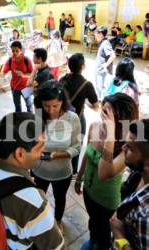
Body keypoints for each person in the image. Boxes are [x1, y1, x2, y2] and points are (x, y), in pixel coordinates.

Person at [0, 112, 64, 249]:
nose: (43, 151)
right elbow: (56, 247)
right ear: (20, 154)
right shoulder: (34, 204)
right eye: (40, 147)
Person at [75, 93, 139, 250]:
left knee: (104, 233)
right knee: (92, 222)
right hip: (89, 191)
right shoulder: (94, 126)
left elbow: (104, 174)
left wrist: (109, 136)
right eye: (103, 111)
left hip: (107, 200)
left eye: (109, 114)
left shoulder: (126, 146)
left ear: (121, 119)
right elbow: (87, 155)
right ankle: (92, 242)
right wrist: (79, 177)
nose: (103, 117)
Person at [33, 82, 81, 234]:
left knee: (60, 199)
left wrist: (57, 155)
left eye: (56, 105)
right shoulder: (38, 116)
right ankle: (39, 221)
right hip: (39, 170)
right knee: (38, 198)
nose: (51, 110)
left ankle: (58, 220)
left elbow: (76, 147)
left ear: (63, 102)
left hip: (62, 171)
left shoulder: (72, 119)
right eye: (47, 106)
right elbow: (31, 142)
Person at [110, 119, 149, 250]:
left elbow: (105, 173)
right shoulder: (138, 172)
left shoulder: (145, 216)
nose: (123, 148)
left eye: (130, 147)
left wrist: (119, 237)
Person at [60, 53, 99, 175]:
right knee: (76, 146)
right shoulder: (87, 84)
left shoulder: (63, 79)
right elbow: (96, 106)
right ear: (82, 66)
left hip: (62, 117)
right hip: (78, 119)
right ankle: (73, 172)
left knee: (64, 142)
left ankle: (62, 166)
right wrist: (86, 102)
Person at [1, 41, 34, 112]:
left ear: (21, 50)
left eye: (17, 51)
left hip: (26, 87)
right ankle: (19, 120)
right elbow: (3, 72)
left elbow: (33, 74)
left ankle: (31, 120)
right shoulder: (10, 60)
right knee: (17, 107)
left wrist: (23, 75)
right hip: (14, 87)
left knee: (29, 106)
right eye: (13, 51)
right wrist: (1, 75)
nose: (15, 53)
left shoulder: (26, 60)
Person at [94, 26, 116, 102]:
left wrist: (106, 65)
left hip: (102, 71)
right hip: (99, 70)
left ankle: (104, 105)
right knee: (98, 88)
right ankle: (100, 101)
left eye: (96, 33)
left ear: (100, 34)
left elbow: (113, 55)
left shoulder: (105, 43)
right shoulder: (102, 42)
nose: (95, 35)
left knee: (102, 88)